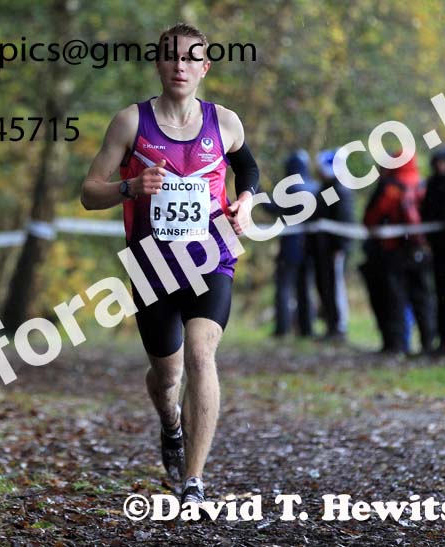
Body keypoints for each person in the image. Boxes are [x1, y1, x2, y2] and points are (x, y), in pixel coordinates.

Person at [80, 23, 259, 505]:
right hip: (153, 267)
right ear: (159, 63)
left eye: (190, 58)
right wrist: (130, 187)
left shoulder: (225, 122)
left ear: (205, 67)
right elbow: (89, 192)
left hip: (212, 257)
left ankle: (194, 482)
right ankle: (171, 423)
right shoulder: (130, 123)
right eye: (171, 56)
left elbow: (248, 167)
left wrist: (245, 202)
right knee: (168, 377)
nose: (180, 65)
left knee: (202, 355)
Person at [363, 155, 435, 354]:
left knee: (394, 298)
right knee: (422, 298)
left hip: (392, 251)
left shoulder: (390, 187)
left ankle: (396, 344)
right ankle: (428, 341)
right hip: (420, 250)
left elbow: (372, 216)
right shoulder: (422, 184)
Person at [264, 150, 319, 337]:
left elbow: (272, 208)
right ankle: (307, 328)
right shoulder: (315, 187)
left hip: (290, 247)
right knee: (305, 288)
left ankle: (283, 328)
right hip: (310, 247)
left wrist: (257, 192)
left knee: (284, 287)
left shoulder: (291, 188)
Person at [420, 148, 445, 352]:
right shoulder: (432, 184)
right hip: (438, 249)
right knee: (441, 295)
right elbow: (427, 211)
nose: (440, 167)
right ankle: (444, 337)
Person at [313, 149, 353, 340]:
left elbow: (343, 220)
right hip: (324, 248)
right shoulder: (328, 189)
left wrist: (340, 247)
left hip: (334, 249)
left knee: (335, 287)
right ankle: (331, 324)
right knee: (326, 287)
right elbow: (322, 213)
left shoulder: (339, 190)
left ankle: (339, 326)